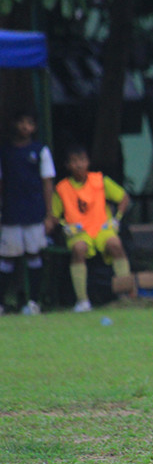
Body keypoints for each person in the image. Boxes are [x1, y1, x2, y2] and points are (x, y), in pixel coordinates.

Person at [51, 145, 131, 313]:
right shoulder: (62, 188)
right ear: (67, 165)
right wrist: (64, 227)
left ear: (88, 162)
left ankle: (125, 293)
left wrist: (116, 220)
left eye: (82, 160)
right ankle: (82, 301)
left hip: (102, 228)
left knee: (115, 244)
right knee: (79, 249)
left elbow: (123, 198)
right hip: (79, 232)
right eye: (74, 161)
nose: (79, 165)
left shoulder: (100, 180)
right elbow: (54, 215)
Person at [0, 110, 56, 315]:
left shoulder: (40, 150)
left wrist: (49, 214)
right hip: (11, 212)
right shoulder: (5, 152)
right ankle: (3, 302)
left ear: (34, 127)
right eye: (21, 122)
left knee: (34, 255)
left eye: (29, 123)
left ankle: (33, 302)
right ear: (14, 125)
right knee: (7, 257)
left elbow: (47, 182)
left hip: (34, 212)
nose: (25, 127)